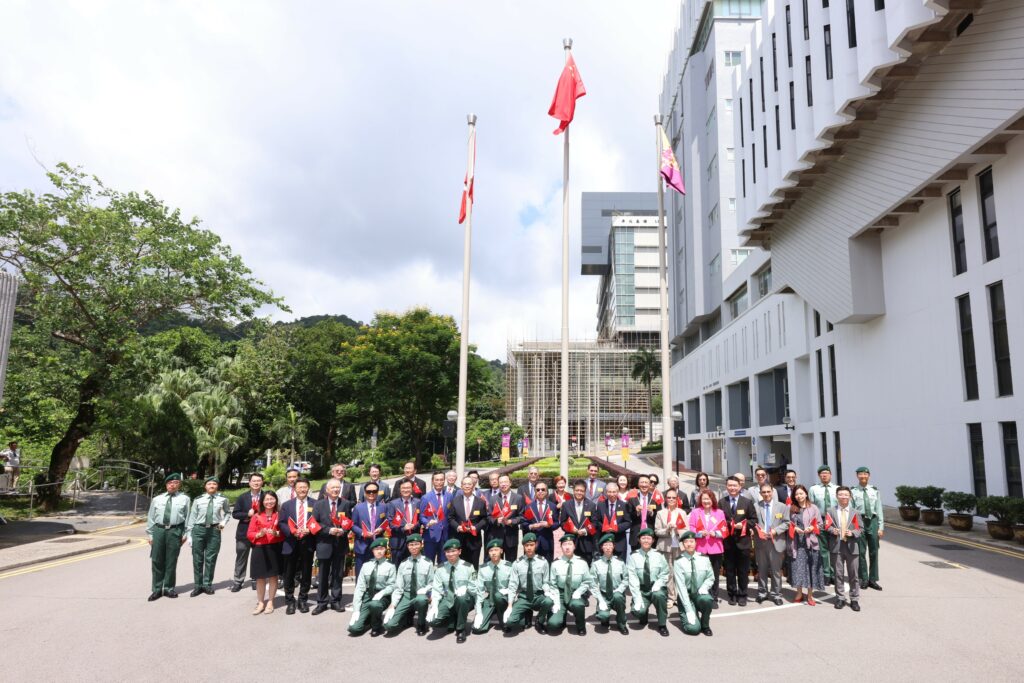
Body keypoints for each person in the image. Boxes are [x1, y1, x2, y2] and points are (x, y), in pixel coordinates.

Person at [145, 473, 190, 601]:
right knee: (157, 560)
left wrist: (185, 534)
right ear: (166, 484)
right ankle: (157, 589)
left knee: (171, 560)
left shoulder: (185, 499)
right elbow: (151, 517)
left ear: (179, 485)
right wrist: (150, 534)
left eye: (175, 482)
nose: (172, 485)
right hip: (159, 530)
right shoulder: (157, 499)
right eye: (170, 483)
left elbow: (187, 518)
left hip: (175, 531)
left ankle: (169, 588)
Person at [311, 478, 352, 614]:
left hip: (340, 544)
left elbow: (349, 522)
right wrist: (328, 530)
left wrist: (343, 531)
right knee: (322, 575)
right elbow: (314, 523)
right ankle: (322, 602)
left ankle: (335, 601)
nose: (335, 490)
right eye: (333, 488)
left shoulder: (345, 504)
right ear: (327, 490)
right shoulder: (319, 505)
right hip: (324, 544)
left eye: (337, 488)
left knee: (337, 574)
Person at [185, 475, 231, 597]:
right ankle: (197, 586)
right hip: (198, 530)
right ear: (205, 486)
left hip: (214, 530)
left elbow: (227, 513)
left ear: (217, 486)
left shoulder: (222, 499)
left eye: (214, 484)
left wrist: (223, 523)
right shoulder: (198, 500)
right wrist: (189, 535)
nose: (212, 486)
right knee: (197, 559)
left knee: (211, 558)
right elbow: (192, 517)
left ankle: (207, 584)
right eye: (209, 484)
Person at [279, 477, 318, 614]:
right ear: (295, 489)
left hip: (307, 542)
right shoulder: (286, 505)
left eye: (305, 487)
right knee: (288, 574)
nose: (302, 489)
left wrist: (310, 530)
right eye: (299, 487)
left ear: (308, 488)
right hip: (291, 542)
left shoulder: (315, 504)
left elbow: (318, 521)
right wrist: (292, 531)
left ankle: (303, 600)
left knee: (306, 573)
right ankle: (290, 601)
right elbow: (282, 523)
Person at [427, 538, 478, 643]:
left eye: (453, 551)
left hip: (465, 600)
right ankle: (452, 620)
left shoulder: (468, 567)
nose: (450, 554)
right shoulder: (440, 568)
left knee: (462, 598)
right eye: (448, 552)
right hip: (448, 598)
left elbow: (475, 588)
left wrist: (466, 588)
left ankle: (460, 629)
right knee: (433, 621)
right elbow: (437, 589)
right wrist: (434, 605)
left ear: (459, 551)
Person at [384, 534, 434, 635]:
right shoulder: (403, 564)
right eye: (411, 545)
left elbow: (432, 582)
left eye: (416, 544)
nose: (413, 547)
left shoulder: (428, 563)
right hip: (406, 596)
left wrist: (426, 591)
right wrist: (392, 605)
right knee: (388, 625)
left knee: (421, 600)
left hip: (420, 594)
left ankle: (421, 624)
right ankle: (406, 617)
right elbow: (398, 587)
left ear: (421, 545)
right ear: (408, 547)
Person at [546, 535, 596, 635]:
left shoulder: (582, 563)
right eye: (564, 544)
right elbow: (552, 583)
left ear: (574, 546)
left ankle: (580, 625)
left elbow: (587, 581)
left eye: (570, 544)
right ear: (561, 547)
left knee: (578, 605)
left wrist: (579, 592)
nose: (567, 547)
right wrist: (555, 600)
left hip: (575, 594)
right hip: (560, 594)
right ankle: (561, 617)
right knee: (553, 624)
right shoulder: (556, 563)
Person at [719, 475, 757, 606]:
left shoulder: (747, 502)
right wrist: (729, 524)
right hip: (728, 542)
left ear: (740, 487)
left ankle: (742, 594)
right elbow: (719, 520)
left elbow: (753, 520)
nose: (732, 488)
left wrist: (744, 525)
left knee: (742, 570)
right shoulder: (721, 502)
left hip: (743, 542)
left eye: (735, 485)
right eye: (730, 485)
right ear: (726, 487)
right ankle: (732, 594)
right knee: (730, 570)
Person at [505, 533, 553, 633]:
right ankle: (525, 615)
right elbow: (513, 585)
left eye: (531, 545)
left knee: (549, 601)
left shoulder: (543, 562)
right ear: (523, 547)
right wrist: (510, 605)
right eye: (527, 545)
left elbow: (546, 581)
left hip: (538, 595)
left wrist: (547, 591)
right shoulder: (517, 563)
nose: (529, 548)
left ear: (536, 544)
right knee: (509, 622)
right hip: (524, 596)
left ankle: (539, 621)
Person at [348, 538, 397, 636]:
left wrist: (382, 593)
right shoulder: (366, 565)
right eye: (376, 549)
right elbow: (360, 588)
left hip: (383, 596)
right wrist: (356, 609)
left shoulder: (390, 566)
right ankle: (369, 617)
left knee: (375, 605)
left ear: (385, 550)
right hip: (368, 595)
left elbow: (393, 585)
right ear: (372, 551)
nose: (379, 551)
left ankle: (376, 626)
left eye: (381, 548)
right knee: (354, 629)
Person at [626, 528, 669, 636]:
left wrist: (658, 584)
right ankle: (643, 614)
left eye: (648, 538)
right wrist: (637, 597)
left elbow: (665, 572)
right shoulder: (633, 556)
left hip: (656, 587)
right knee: (638, 611)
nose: (646, 541)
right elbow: (632, 578)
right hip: (642, 589)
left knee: (659, 595)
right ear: (639, 540)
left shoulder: (659, 555)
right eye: (643, 538)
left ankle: (662, 625)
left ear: (653, 541)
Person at [246, 490, 284, 615]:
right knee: (260, 577)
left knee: (273, 576)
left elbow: (283, 533)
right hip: (259, 548)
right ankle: (261, 602)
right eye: (267, 499)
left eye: (272, 499)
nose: (269, 502)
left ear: (276, 501)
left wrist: (276, 533)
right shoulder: (257, 516)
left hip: (274, 548)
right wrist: (259, 534)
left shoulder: (279, 515)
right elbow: (249, 533)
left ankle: (271, 602)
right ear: (262, 501)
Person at [827, 487, 863, 611]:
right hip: (837, 546)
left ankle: (854, 599)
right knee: (838, 574)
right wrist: (833, 530)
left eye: (846, 495)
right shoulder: (830, 511)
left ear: (850, 497)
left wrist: (852, 533)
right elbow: (827, 526)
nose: (843, 497)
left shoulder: (855, 512)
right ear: (837, 496)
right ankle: (840, 598)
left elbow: (861, 529)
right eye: (841, 494)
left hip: (852, 547)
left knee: (854, 575)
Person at [753, 483, 790, 605]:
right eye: (763, 492)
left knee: (775, 571)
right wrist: (756, 530)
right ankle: (762, 593)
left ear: (773, 491)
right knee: (762, 569)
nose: (766, 494)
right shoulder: (755, 506)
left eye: (768, 492)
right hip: (761, 542)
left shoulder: (782, 507)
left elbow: (787, 523)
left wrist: (775, 530)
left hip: (776, 541)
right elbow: (752, 522)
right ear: (760, 493)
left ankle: (776, 594)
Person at [673, 531, 714, 636]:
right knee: (693, 629)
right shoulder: (678, 561)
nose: (689, 544)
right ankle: (691, 613)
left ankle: (705, 625)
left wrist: (705, 587)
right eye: (686, 542)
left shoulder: (704, 558)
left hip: (699, 593)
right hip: (686, 595)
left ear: (696, 543)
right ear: (683, 545)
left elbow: (710, 577)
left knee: (707, 599)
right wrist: (688, 609)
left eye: (692, 541)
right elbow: (681, 587)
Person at [688, 490, 725, 607]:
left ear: (712, 500)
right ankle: (702, 597)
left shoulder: (719, 512)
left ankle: (714, 597)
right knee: (701, 574)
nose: (706, 501)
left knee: (714, 574)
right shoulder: (695, 512)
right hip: (700, 548)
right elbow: (691, 528)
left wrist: (716, 533)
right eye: (703, 499)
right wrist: (699, 533)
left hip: (716, 548)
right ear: (700, 500)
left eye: (708, 499)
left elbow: (724, 529)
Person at [789, 484, 824, 605]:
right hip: (797, 543)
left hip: (811, 542)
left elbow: (820, 524)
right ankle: (799, 593)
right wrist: (794, 529)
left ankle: (810, 595)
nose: (799, 496)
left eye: (801, 493)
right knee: (798, 568)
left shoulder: (813, 508)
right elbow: (788, 524)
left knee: (811, 568)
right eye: (796, 494)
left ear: (806, 494)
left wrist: (812, 527)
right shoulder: (792, 508)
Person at [230, 472, 264, 592]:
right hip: (244, 533)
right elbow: (235, 514)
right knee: (241, 557)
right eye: (253, 481)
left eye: (258, 480)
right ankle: (238, 581)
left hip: (260, 533)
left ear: (262, 482)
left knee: (257, 557)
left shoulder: (266, 496)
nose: (256, 483)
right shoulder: (242, 497)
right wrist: (247, 514)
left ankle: (256, 579)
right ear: (249, 483)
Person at [852, 466, 884, 590]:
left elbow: (879, 509)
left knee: (874, 551)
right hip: (860, 521)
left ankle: (873, 579)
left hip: (873, 521)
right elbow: (853, 511)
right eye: (860, 474)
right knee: (860, 552)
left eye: (865, 474)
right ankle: (864, 578)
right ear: (857, 476)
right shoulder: (853, 491)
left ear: (869, 476)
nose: (863, 476)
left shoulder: (875, 491)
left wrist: (881, 527)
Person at [471, 539, 513, 634]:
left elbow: (514, 587)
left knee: (510, 623)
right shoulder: (483, 568)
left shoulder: (509, 567)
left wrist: (510, 602)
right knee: (477, 629)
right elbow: (480, 591)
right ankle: (490, 613)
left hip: (504, 600)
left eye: (496, 550)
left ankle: (503, 619)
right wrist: (478, 612)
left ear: (501, 551)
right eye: (491, 551)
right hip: (490, 600)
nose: (493, 553)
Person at [589, 534, 629, 634]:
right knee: (603, 616)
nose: (608, 547)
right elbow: (593, 583)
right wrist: (600, 599)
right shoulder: (596, 564)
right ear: (601, 547)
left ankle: (621, 624)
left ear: (613, 547)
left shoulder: (620, 562)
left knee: (618, 597)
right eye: (605, 545)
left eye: (610, 545)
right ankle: (604, 617)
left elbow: (626, 578)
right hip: (604, 595)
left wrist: (619, 590)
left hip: (617, 593)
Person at [654, 488, 687, 603]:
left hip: (678, 545)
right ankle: (671, 596)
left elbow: (686, 530)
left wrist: (678, 530)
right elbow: (657, 531)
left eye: (673, 497)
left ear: (677, 499)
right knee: (668, 572)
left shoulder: (682, 513)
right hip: (665, 546)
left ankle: (679, 596)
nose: (671, 499)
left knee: (679, 571)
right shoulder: (660, 513)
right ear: (666, 499)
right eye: (669, 497)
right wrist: (667, 530)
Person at [448, 476, 488, 569]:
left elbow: (484, 519)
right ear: (461, 486)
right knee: (460, 567)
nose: (467, 486)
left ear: (473, 485)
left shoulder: (481, 502)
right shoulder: (455, 501)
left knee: (473, 567)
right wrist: (458, 527)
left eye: (469, 484)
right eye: (464, 484)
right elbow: (450, 518)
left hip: (474, 540)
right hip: (459, 541)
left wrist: (477, 527)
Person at [809, 465, 840, 585]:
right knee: (823, 549)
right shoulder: (814, 489)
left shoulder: (837, 488)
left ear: (831, 475)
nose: (824, 475)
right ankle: (826, 574)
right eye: (822, 473)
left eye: (827, 473)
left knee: (835, 548)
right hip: (820, 520)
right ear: (819, 476)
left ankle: (834, 574)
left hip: (834, 521)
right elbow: (811, 507)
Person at [352, 482, 388, 576]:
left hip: (378, 545)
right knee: (361, 574)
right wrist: (362, 533)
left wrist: (381, 529)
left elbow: (386, 522)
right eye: (369, 491)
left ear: (377, 493)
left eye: (374, 491)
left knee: (378, 574)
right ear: (365, 493)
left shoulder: (383, 507)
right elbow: (353, 525)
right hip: (362, 545)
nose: (371, 493)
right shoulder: (358, 508)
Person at [561, 480, 599, 563]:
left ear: (585, 492)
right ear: (573, 491)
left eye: (582, 491)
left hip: (586, 543)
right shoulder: (566, 505)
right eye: (577, 490)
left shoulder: (591, 505)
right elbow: (562, 523)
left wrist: (585, 530)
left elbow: (595, 523)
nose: (579, 493)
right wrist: (571, 529)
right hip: (571, 542)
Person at [387, 480, 422, 566]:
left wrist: (414, 526)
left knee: (414, 567)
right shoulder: (393, 504)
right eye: (403, 488)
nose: (406, 490)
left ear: (412, 488)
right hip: (398, 542)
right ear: (399, 489)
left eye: (408, 487)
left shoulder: (418, 502)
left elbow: (421, 519)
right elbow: (390, 522)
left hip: (414, 541)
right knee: (397, 568)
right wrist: (403, 528)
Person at [419, 471, 450, 564]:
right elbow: (421, 516)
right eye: (437, 480)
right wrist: (427, 523)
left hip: (445, 535)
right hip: (431, 535)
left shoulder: (449, 496)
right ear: (432, 481)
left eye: (441, 480)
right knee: (429, 562)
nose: (439, 482)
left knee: (444, 564)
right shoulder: (426, 497)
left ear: (444, 481)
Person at [522, 480, 556, 562]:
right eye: (538, 490)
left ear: (547, 491)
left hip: (547, 541)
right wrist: (531, 526)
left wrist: (549, 525)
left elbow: (557, 523)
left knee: (548, 565)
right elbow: (524, 523)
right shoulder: (529, 507)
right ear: (535, 492)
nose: (540, 491)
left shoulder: (552, 506)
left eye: (543, 489)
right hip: (532, 541)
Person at [628, 475, 660, 551]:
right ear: (638, 484)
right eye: (642, 482)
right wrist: (637, 512)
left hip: (650, 534)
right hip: (636, 534)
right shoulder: (632, 498)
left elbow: (659, 517)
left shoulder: (655, 499)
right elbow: (628, 516)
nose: (644, 485)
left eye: (646, 482)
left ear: (650, 485)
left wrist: (652, 513)